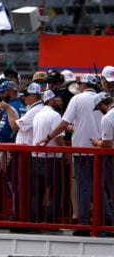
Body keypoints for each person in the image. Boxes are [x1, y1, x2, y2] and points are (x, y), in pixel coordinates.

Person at [38, 75, 111, 236]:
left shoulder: (77, 99)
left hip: (82, 150)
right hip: (101, 149)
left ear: (83, 84)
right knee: (99, 186)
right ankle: (107, 220)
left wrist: (48, 137)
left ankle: (85, 223)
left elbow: (64, 123)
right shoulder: (102, 98)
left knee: (84, 188)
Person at [29, 89, 65, 224]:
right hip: (52, 159)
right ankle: (52, 224)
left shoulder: (38, 114)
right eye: (58, 99)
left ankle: (35, 223)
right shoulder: (54, 115)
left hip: (36, 158)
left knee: (36, 194)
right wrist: (66, 155)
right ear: (51, 100)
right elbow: (59, 139)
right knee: (55, 193)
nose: (60, 102)